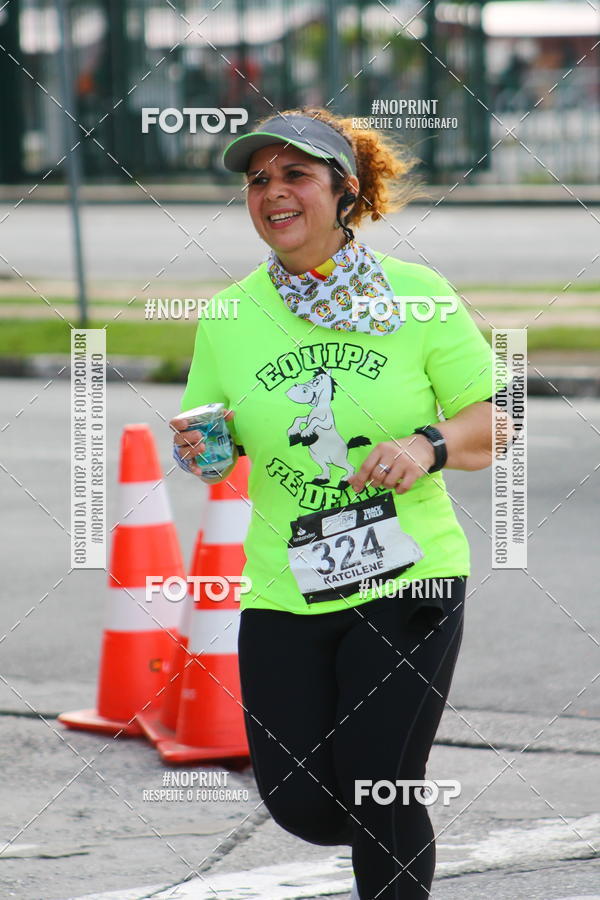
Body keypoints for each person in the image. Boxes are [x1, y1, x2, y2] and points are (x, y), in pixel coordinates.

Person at [170, 108, 510, 900]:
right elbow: (212, 437)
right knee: (303, 804)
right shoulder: (228, 315)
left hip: (408, 580)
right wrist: (202, 450)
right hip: (286, 586)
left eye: (296, 175)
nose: (273, 194)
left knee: (380, 787)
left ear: (344, 190)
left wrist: (425, 444)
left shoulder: (418, 297)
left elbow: (498, 419)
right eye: (259, 180)